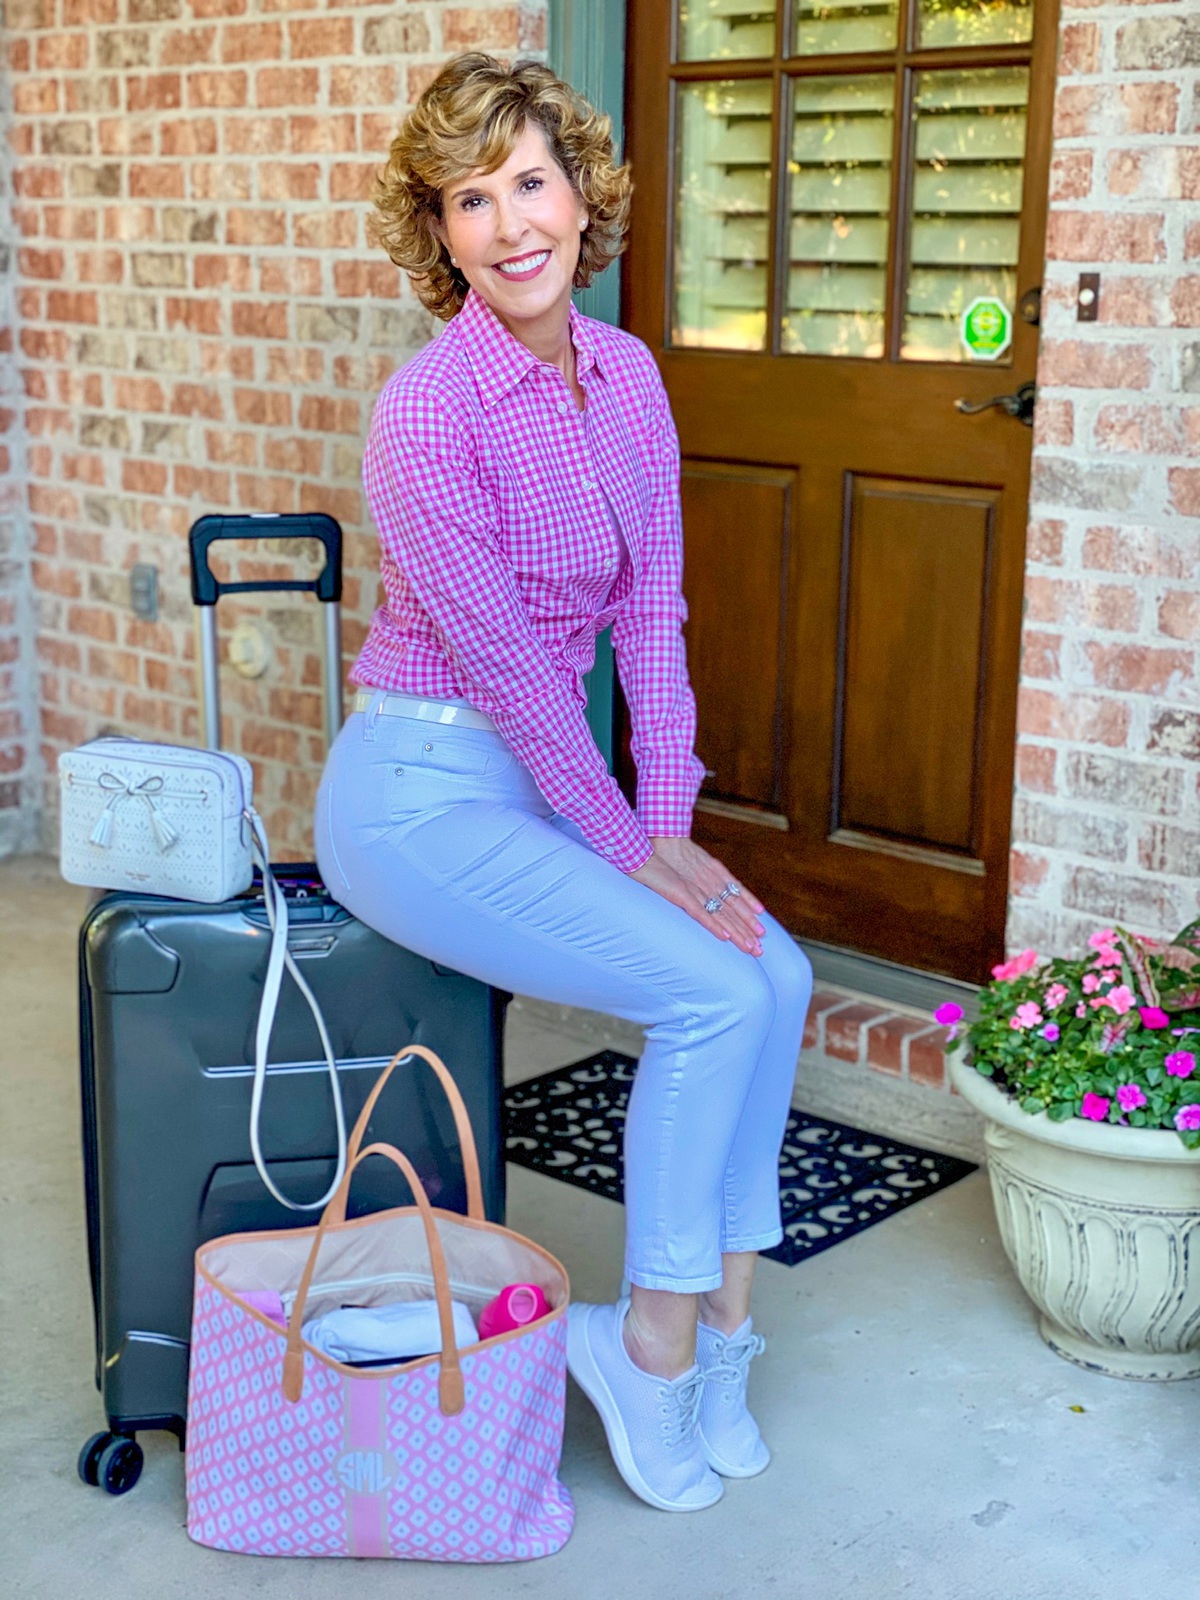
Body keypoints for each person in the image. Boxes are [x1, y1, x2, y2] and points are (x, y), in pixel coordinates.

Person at [314, 52, 813, 1515]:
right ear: (443, 230)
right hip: (416, 795)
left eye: (529, 181)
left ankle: (725, 1331)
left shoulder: (630, 378)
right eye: (471, 198)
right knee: (710, 988)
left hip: (548, 786)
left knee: (771, 978)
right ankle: (641, 1348)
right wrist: (635, 849)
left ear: (583, 194)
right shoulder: (426, 414)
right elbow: (519, 683)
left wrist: (666, 829)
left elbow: (649, 619)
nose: (509, 223)